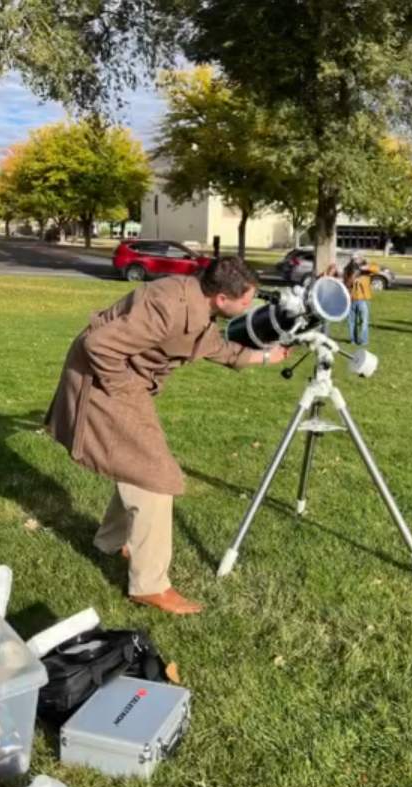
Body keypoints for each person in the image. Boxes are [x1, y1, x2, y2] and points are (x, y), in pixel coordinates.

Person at [45, 257, 289, 615]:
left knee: (137, 465)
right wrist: (126, 392)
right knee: (159, 477)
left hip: (119, 381)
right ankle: (149, 585)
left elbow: (215, 348)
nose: (250, 307)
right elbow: (99, 345)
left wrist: (267, 357)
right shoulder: (167, 306)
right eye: (246, 300)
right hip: (102, 381)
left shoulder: (196, 303)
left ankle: (109, 541)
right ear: (222, 298)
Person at [342, 253, 373, 347]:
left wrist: (363, 265)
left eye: (357, 258)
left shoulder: (366, 270)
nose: (355, 260)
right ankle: (353, 339)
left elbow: (376, 269)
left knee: (363, 321)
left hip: (363, 299)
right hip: (352, 299)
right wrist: (352, 279)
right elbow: (345, 283)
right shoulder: (347, 269)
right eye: (354, 259)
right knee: (352, 322)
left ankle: (363, 340)